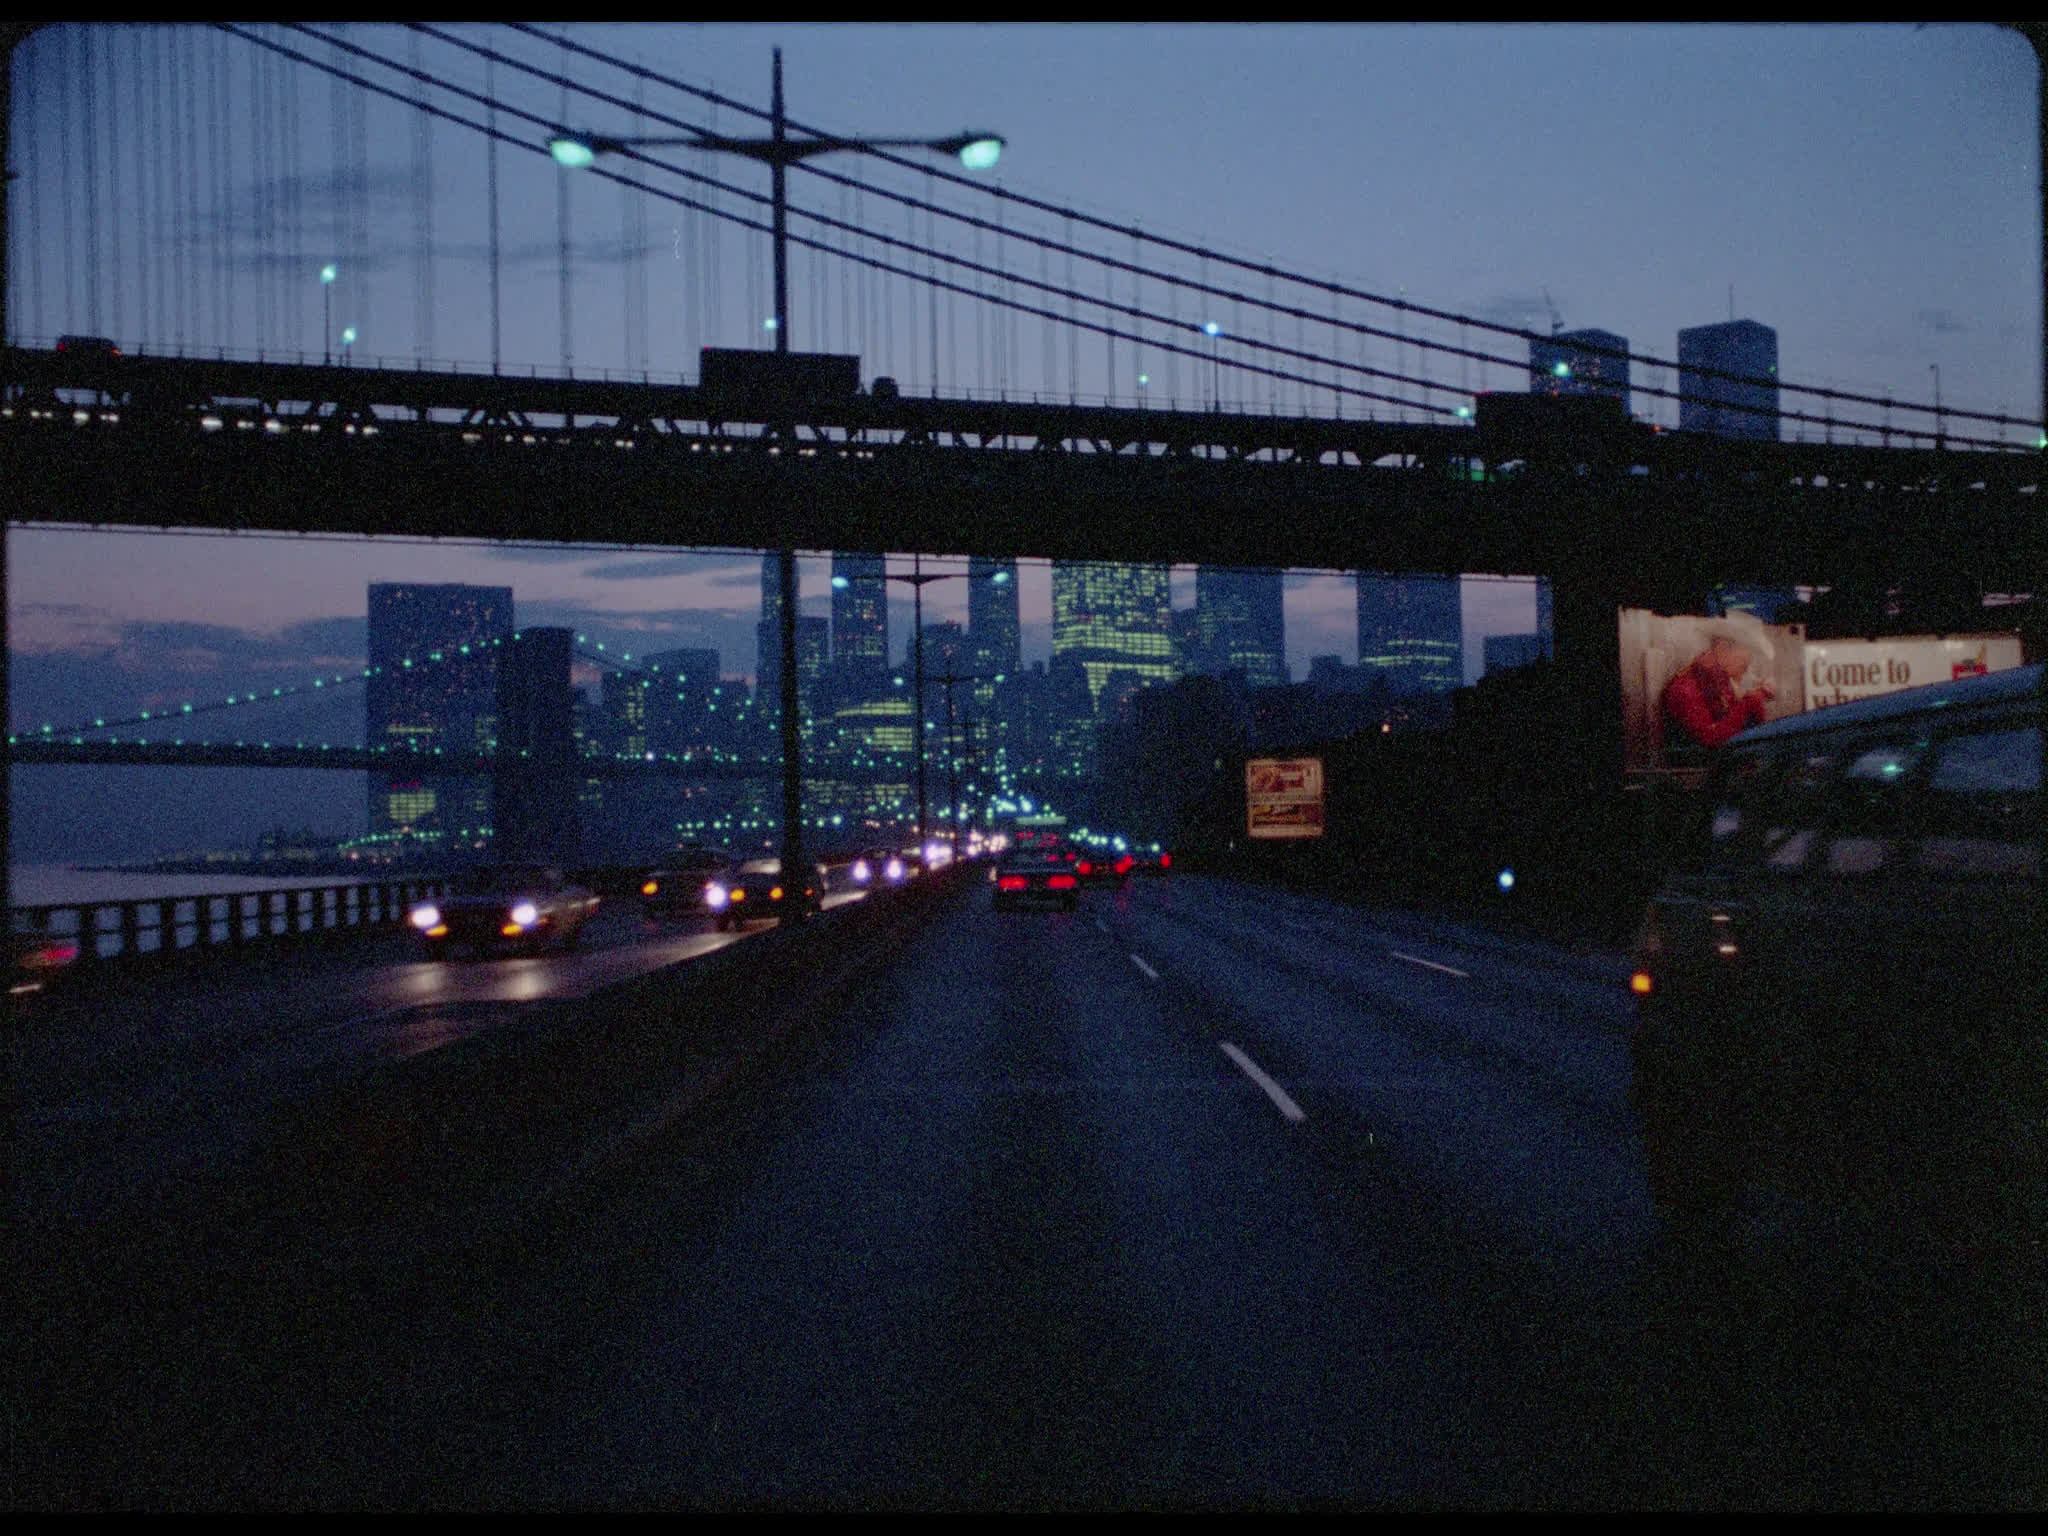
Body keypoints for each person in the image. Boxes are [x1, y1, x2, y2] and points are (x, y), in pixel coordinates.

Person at [1662, 629, 1775, 757]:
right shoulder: (1685, 689)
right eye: (1744, 664)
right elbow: (1710, 740)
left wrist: (1754, 702)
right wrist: (1748, 703)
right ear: (1723, 649)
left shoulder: (1717, 680)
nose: (1745, 671)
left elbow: (1732, 722)